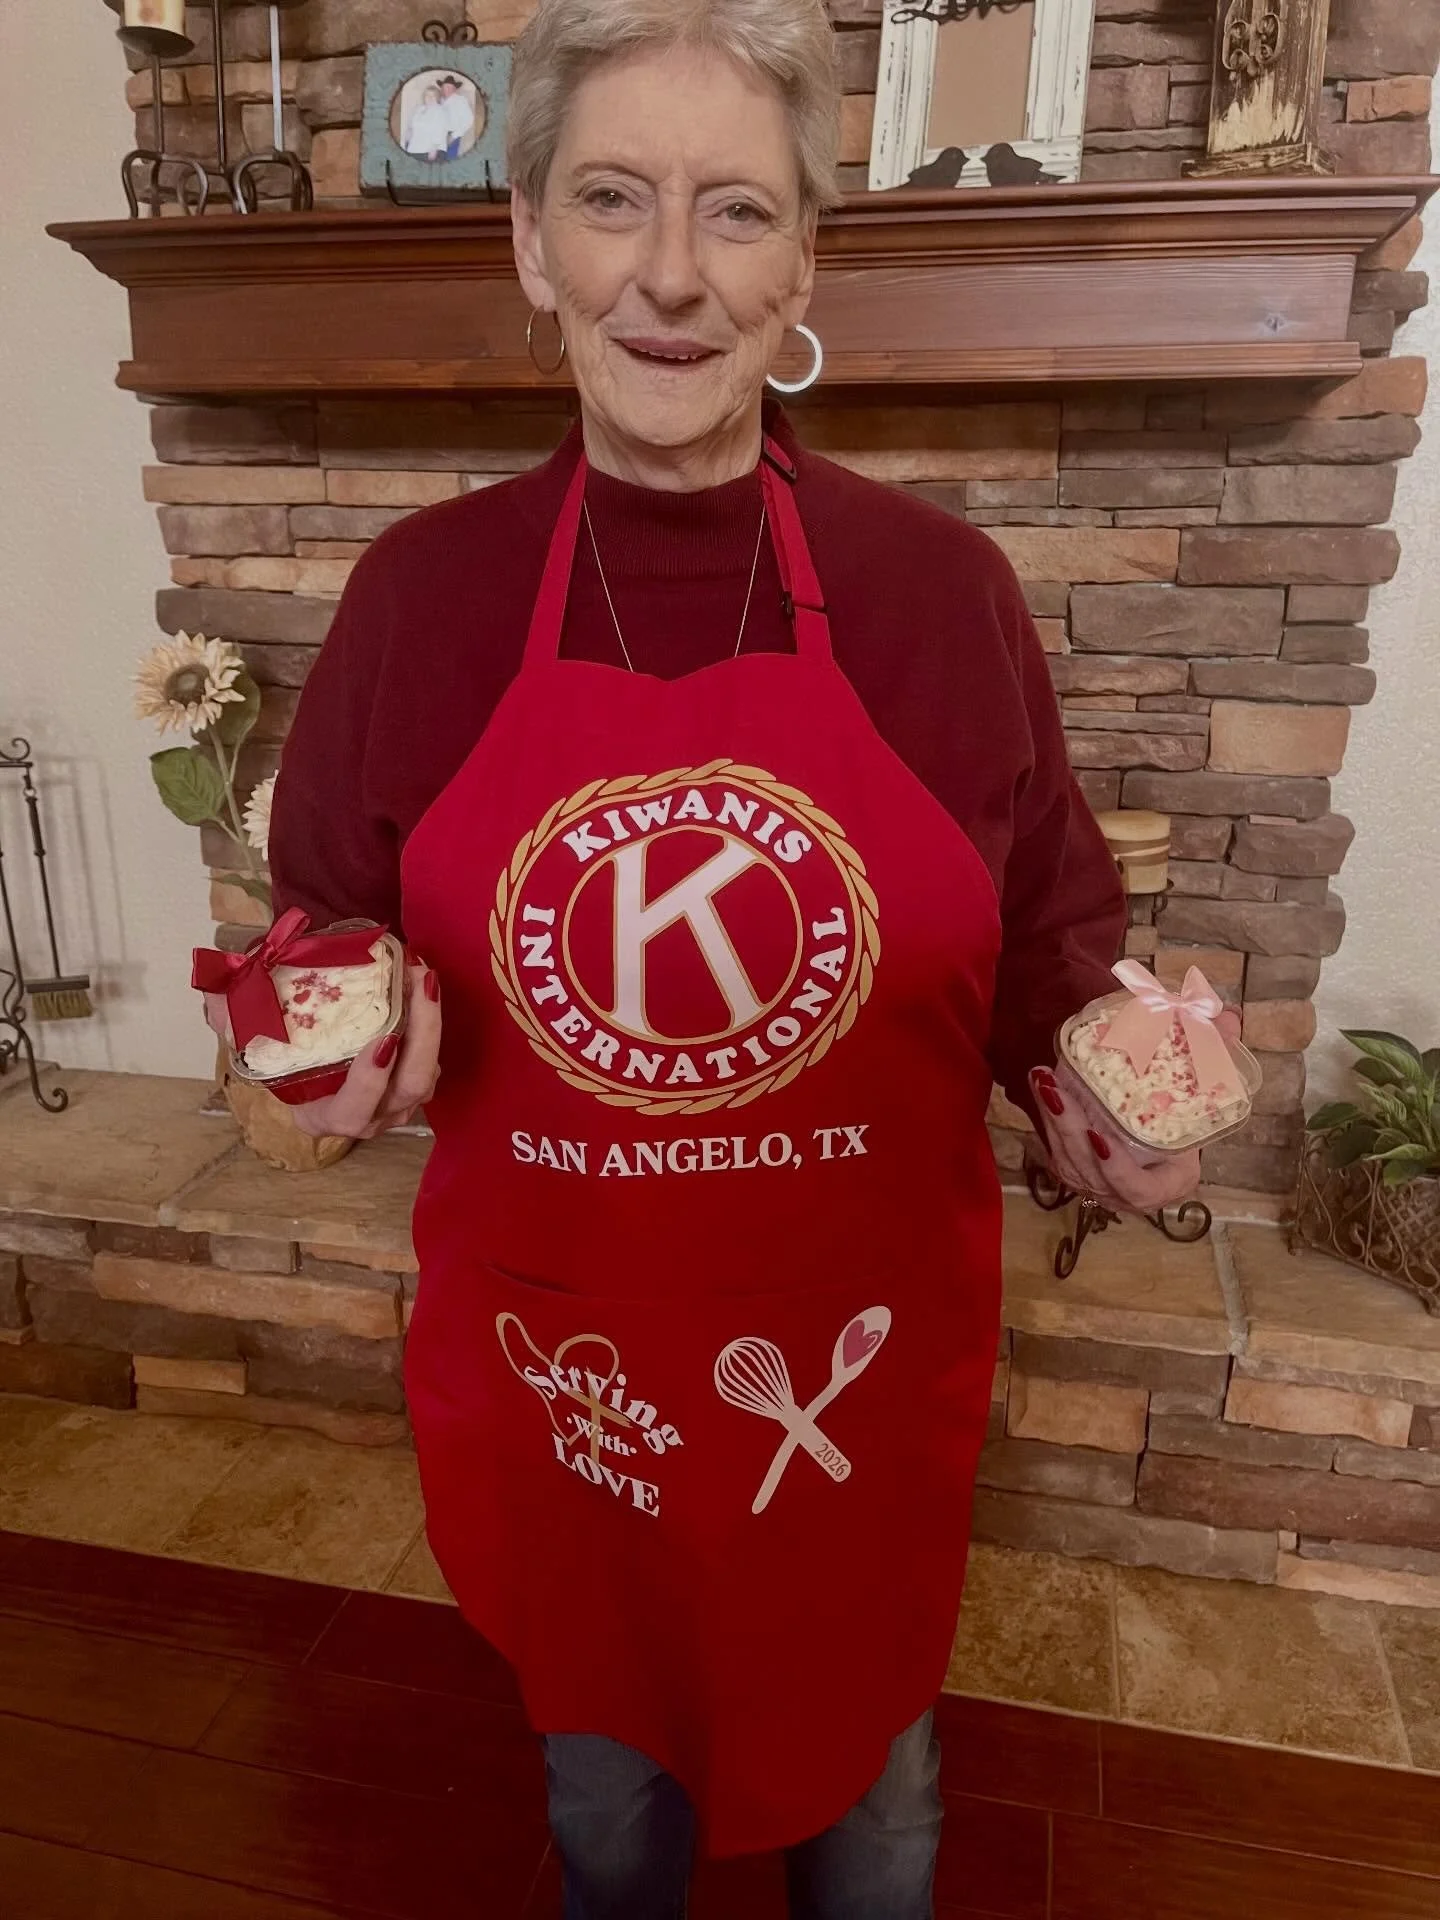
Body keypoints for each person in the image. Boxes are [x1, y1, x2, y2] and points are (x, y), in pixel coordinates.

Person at [258, 2, 1227, 1913]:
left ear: (805, 256)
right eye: (614, 202)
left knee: (876, 1828)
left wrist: (1108, 1114)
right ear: (532, 241)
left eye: (738, 212)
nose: (674, 277)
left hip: (844, 1401)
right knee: (607, 1816)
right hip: (573, 1394)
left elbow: (1054, 965)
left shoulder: (943, 597)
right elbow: (317, 939)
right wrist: (319, 1055)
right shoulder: (420, 599)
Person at [401, 82, 449, 162]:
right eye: (427, 95)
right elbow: (412, 126)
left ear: (437, 97)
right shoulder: (419, 109)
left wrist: (434, 149)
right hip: (415, 149)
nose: (430, 98)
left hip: (431, 151)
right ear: (424, 97)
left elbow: (441, 130)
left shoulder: (440, 111)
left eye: (433, 95)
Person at [437, 73, 477, 159]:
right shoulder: (440, 101)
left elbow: (469, 120)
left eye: (449, 87)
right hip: (438, 135)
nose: (446, 89)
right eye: (444, 87)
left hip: (451, 134)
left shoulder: (460, 100)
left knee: (449, 160)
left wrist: (454, 136)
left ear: (454, 89)